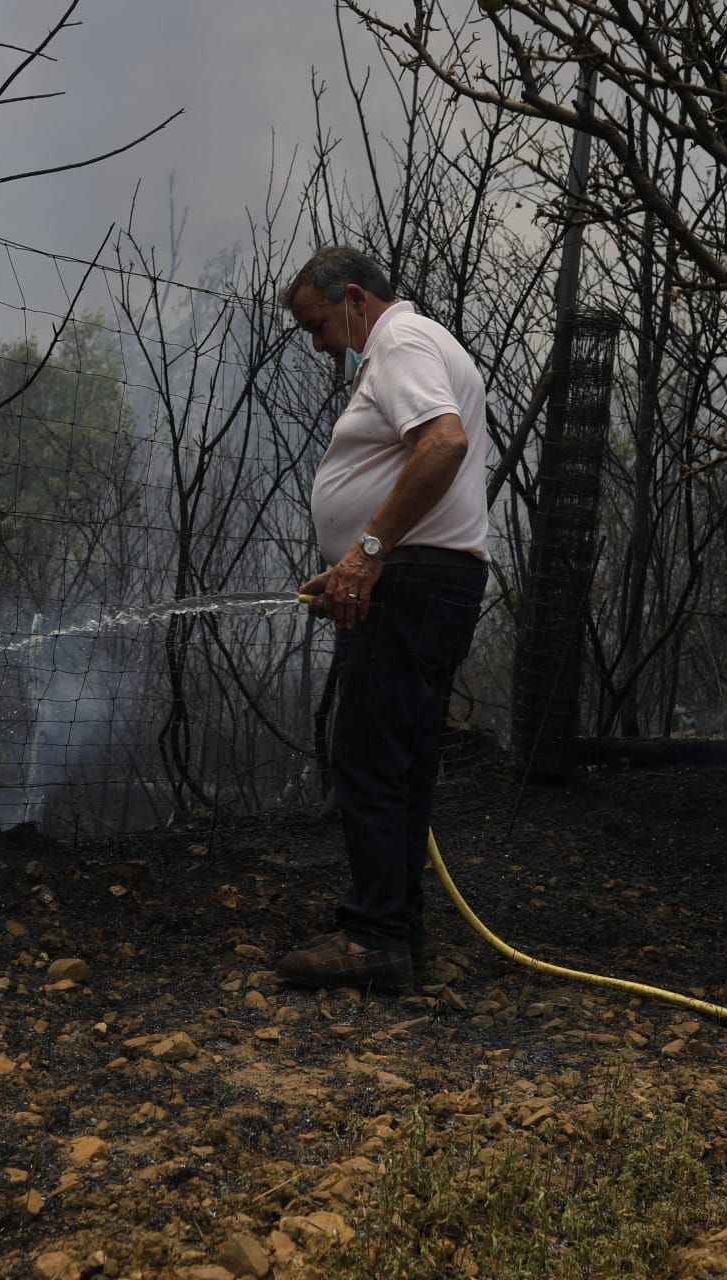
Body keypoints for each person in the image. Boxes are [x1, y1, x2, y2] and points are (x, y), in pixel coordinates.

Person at [276, 246, 489, 990]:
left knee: (369, 761)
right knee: (399, 764)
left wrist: (366, 552)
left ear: (356, 299)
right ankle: (397, 936)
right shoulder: (422, 343)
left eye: (319, 324)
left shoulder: (398, 341)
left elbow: (443, 444)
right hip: (426, 580)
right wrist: (353, 560)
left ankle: (373, 939)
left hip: (409, 583)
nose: (319, 343)